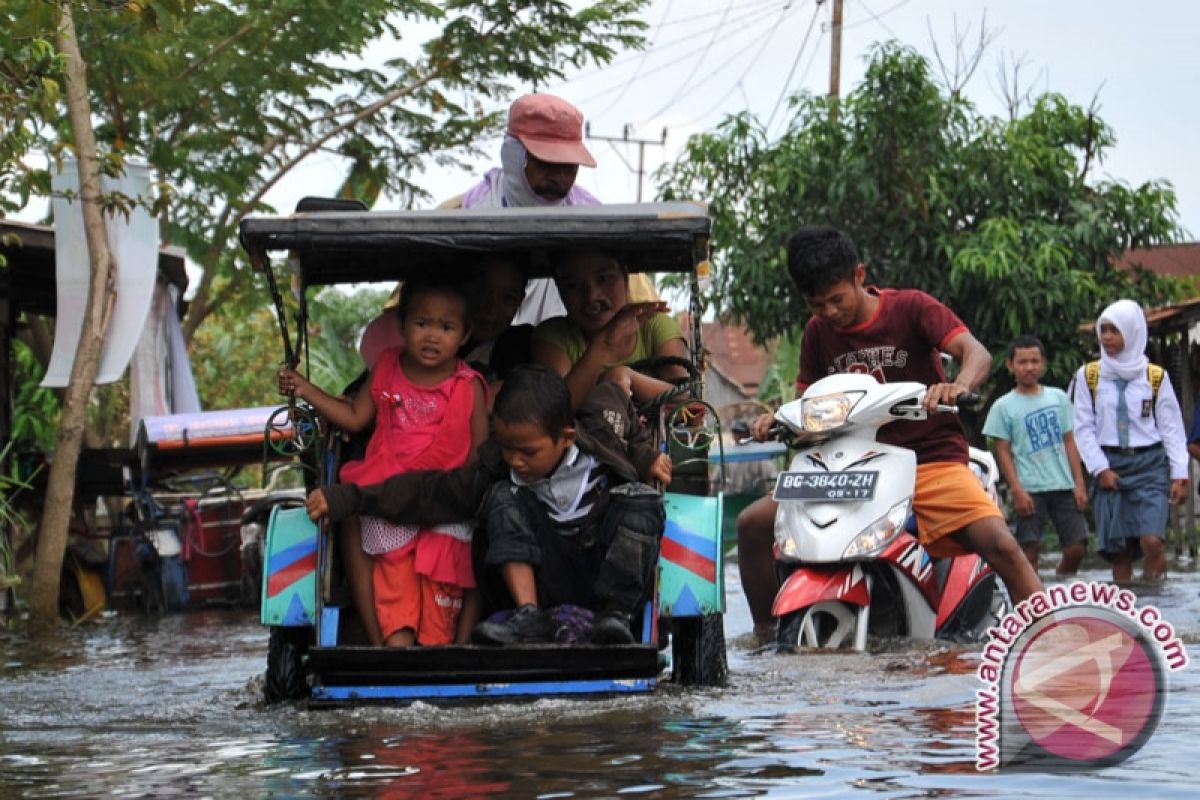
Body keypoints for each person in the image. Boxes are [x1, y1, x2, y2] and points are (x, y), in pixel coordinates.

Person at [736, 226, 1044, 646]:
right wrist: (778, 420)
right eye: (815, 303)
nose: (828, 312)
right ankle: (767, 635)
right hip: (848, 467)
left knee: (1000, 543)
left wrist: (958, 386)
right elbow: (808, 401)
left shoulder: (912, 308)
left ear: (859, 275)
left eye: (835, 299)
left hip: (928, 459)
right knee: (752, 524)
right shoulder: (816, 333)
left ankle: (1050, 636)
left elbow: (977, 354)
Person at [305, 364, 674, 645]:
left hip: (603, 575)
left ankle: (617, 616)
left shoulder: (601, 436)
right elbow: (428, 492)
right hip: (542, 579)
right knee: (500, 497)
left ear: (565, 438)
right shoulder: (496, 468)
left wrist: (644, 459)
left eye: (528, 452)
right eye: (508, 448)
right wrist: (349, 498)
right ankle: (527, 615)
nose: (515, 460)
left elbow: (629, 425)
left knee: (642, 500)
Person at [278, 278, 489, 647]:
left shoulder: (468, 385)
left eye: (446, 327)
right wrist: (307, 390)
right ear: (403, 325)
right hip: (385, 500)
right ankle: (390, 647)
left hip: (443, 503)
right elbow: (357, 417)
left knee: (439, 617)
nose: (432, 336)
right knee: (396, 596)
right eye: (422, 323)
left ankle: (447, 648)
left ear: (464, 334)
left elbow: (478, 456)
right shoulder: (388, 365)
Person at [442, 93, 657, 324]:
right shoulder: (460, 215)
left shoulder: (596, 224)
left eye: (568, 166)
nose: (559, 177)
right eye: (546, 163)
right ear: (514, 155)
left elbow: (647, 316)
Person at [1069, 299, 1189, 583]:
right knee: (1119, 549)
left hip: (1149, 465)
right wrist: (1100, 469)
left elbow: (1171, 427)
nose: (1107, 337)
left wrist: (1180, 473)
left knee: (1152, 541)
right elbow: (1083, 428)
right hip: (1110, 464)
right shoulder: (1089, 376)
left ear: (1133, 332)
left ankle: (1158, 607)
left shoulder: (1155, 377)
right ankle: (1126, 610)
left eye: (1115, 330)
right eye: (1104, 329)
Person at [982, 335, 1090, 575]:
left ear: (1043, 364)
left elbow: (1070, 441)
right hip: (1029, 487)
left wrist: (1079, 483)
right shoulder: (1003, 406)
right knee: (1029, 550)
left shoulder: (1058, 398)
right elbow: (1003, 451)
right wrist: (1017, 491)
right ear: (1010, 365)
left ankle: (1061, 590)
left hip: (1063, 484)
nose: (1029, 367)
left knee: (1076, 548)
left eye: (1034, 361)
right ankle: (1034, 601)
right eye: (1022, 362)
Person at [532, 248, 689, 411]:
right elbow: (554, 414)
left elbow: (689, 403)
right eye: (572, 285)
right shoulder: (553, 336)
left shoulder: (654, 325)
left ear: (626, 278)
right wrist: (603, 344)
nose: (592, 296)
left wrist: (629, 377)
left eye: (604, 279)